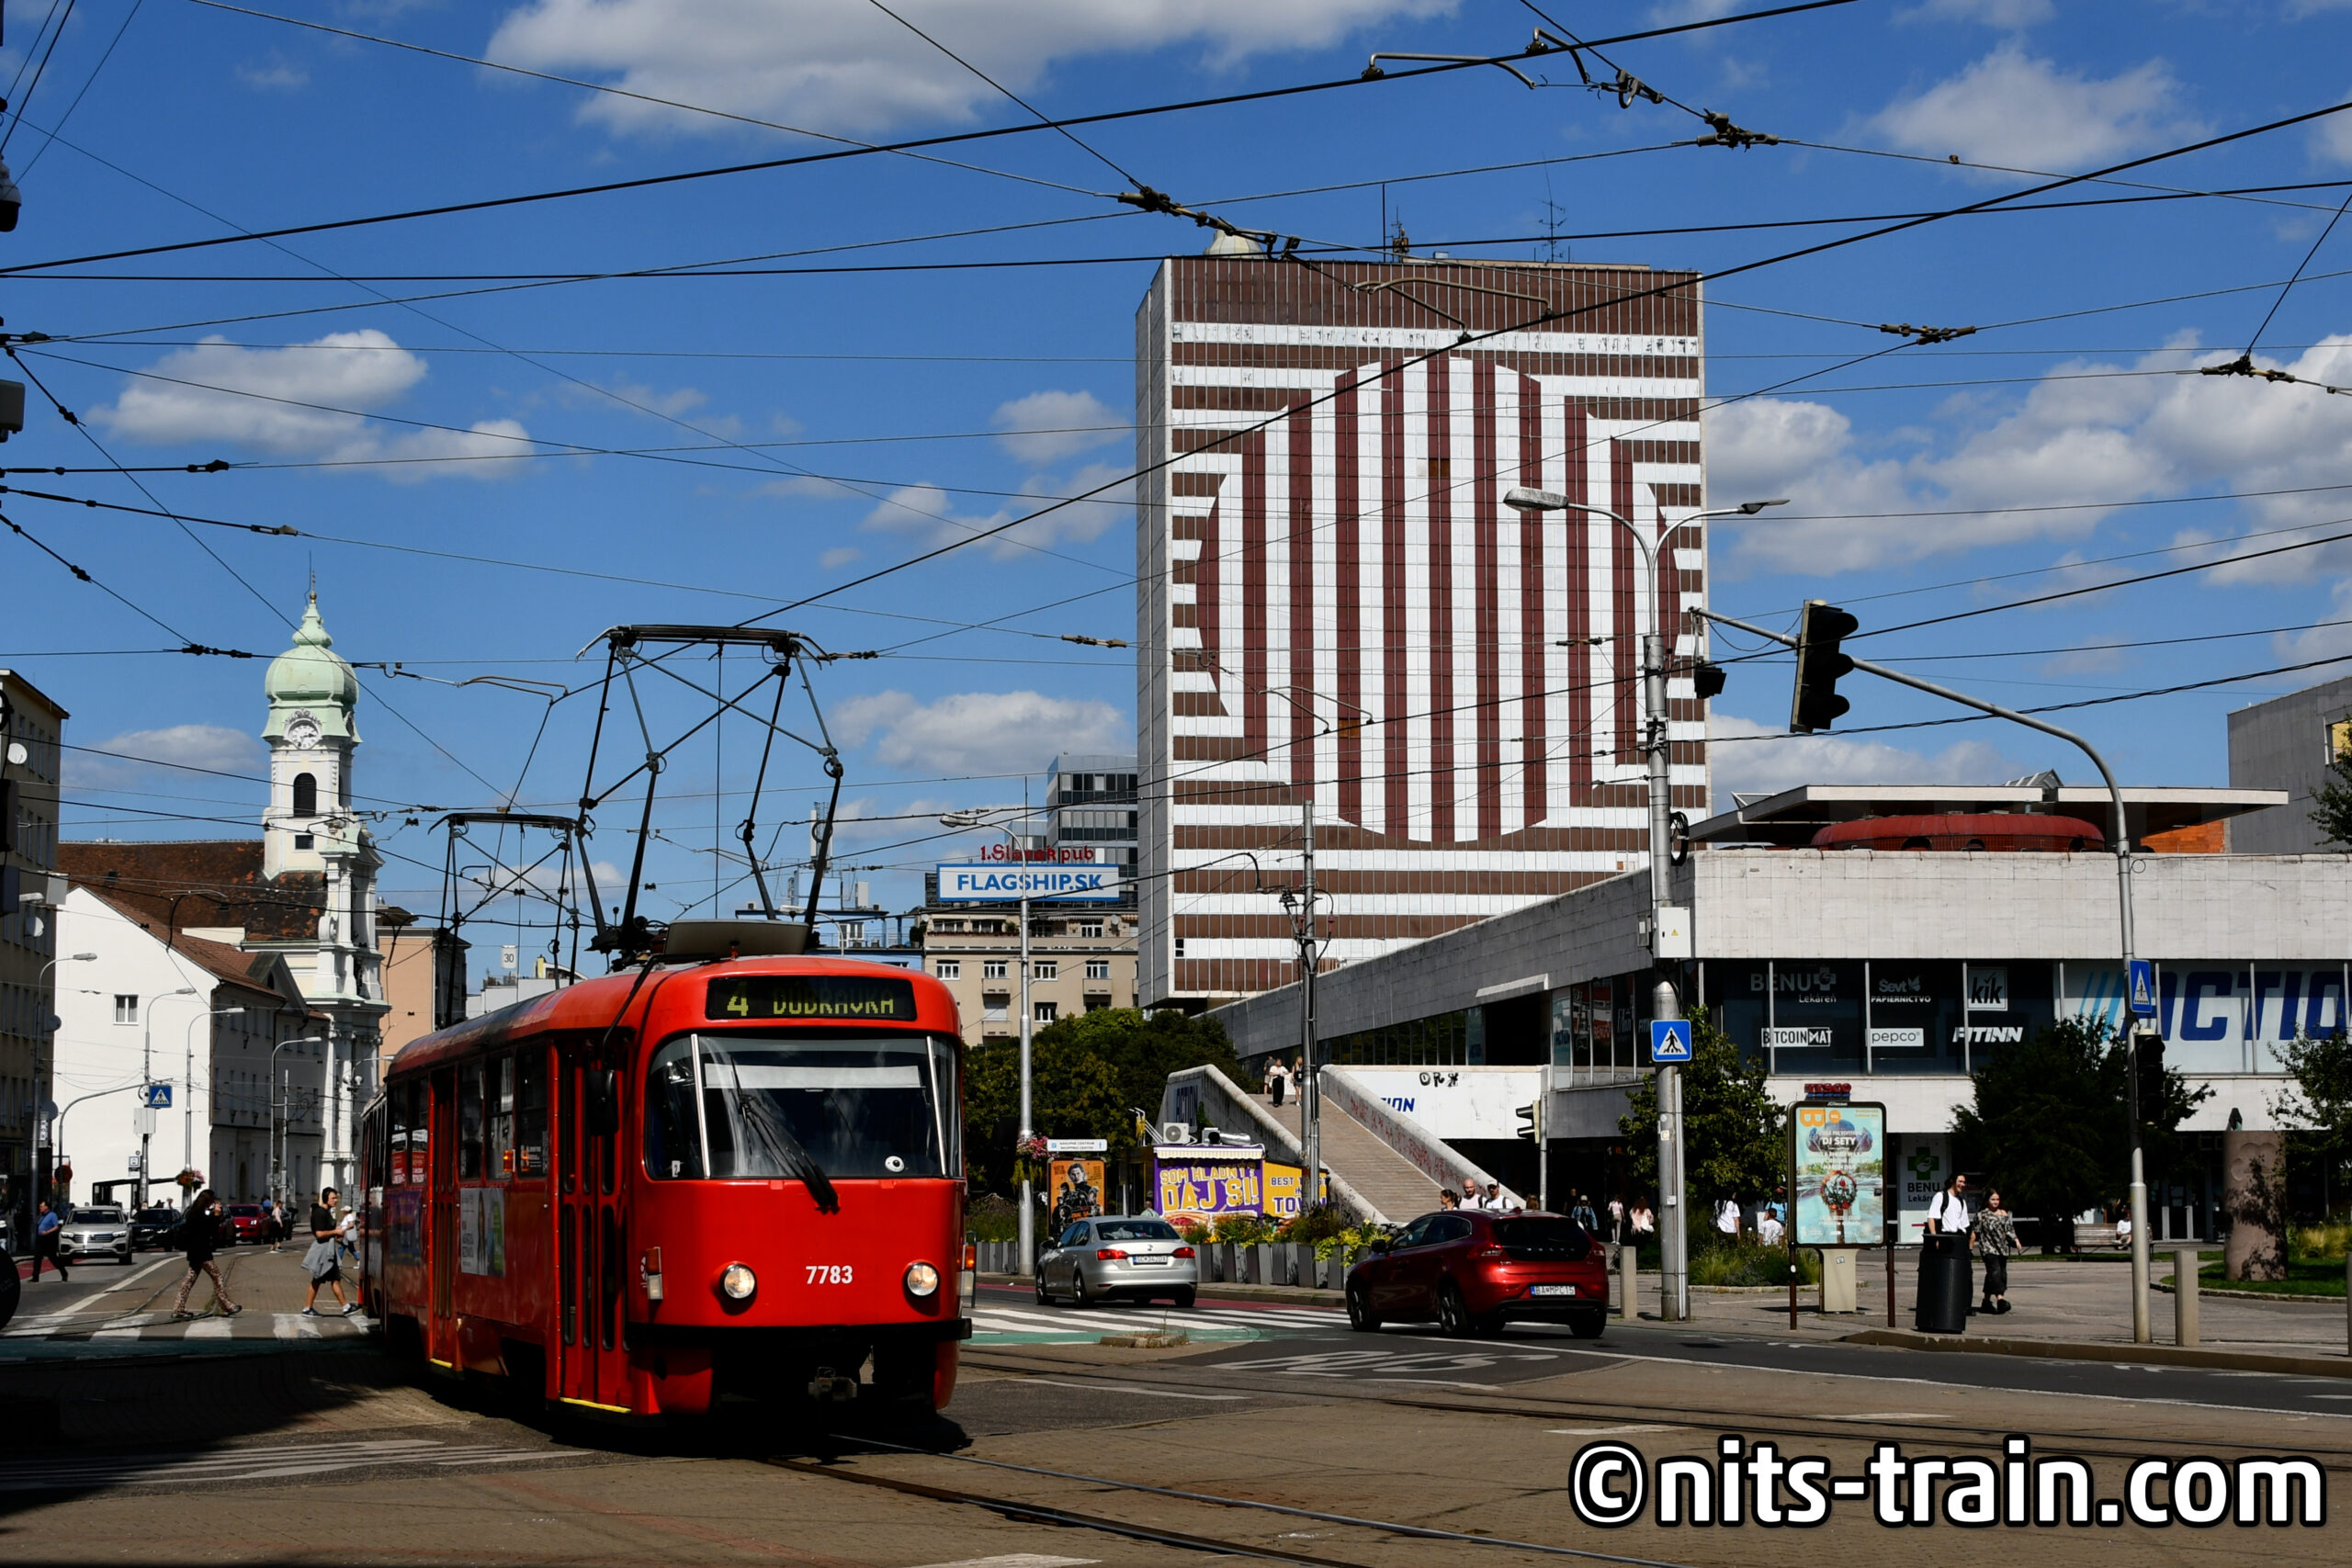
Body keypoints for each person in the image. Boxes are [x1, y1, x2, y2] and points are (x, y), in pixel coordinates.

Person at [171, 1190, 242, 1320]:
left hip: (195, 1251)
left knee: (189, 1280)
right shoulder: (199, 1214)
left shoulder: (193, 1212)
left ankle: (178, 1308)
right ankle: (226, 1305)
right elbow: (208, 1229)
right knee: (217, 1277)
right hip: (201, 1252)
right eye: (212, 1201)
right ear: (207, 1201)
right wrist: (215, 1215)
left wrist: (215, 1215)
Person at [1925, 1171, 1973, 1315]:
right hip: (1944, 1236)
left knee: (1965, 1273)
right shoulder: (1941, 1197)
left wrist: (1969, 1242)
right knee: (1945, 1273)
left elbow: (1965, 1224)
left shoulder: (1961, 1201)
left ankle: (1965, 1305)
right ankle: (1944, 1303)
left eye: (1964, 1182)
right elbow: (1932, 1218)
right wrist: (1935, 1238)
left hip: (1958, 1238)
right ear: (1953, 1181)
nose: (1962, 1185)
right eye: (1960, 1181)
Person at [303, 1187, 356, 1316]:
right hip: (323, 1251)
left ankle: (345, 1306)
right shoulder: (320, 1213)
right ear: (326, 1198)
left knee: (332, 1278)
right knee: (321, 1279)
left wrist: (336, 1234)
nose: (336, 1200)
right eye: (333, 1198)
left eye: (336, 1198)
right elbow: (320, 1234)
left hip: (328, 1249)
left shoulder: (325, 1212)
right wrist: (335, 1232)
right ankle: (308, 1308)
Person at [1973, 1188, 2018, 1314]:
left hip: (2002, 1249)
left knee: (1998, 1274)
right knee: (1995, 1272)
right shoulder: (1981, 1215)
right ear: (1987, 1201)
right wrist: (1970, 1247)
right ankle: (2000, 1300)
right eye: (1993, 1199)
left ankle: (1986, 1302)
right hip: (1988, 1248)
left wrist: (2016, 1240)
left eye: (1997, 1199)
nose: (1995, 1202)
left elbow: (2009, 1230)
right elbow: (1975, 1232)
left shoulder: (2003, 1213)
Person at [30, 1199, 66, 1282]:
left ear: (47, 1207)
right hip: (40, 1238)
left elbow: (56, 1226)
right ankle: (35, 1277)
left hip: (49, 1239)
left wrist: (47, 1231)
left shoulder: (52, 1215)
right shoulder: (41, 1216)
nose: (40, 1208)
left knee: (52, 1258)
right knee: (37, 1258)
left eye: (41, 1206)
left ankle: (64, 1272)